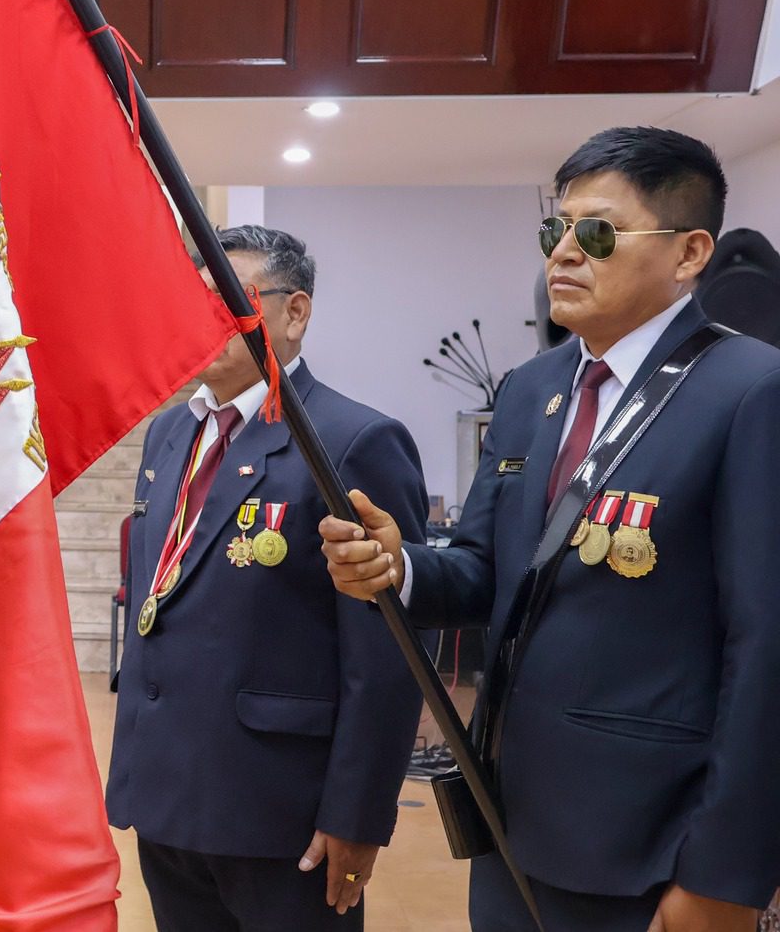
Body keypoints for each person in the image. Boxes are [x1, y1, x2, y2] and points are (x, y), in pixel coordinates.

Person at [322, 127, 780, 932]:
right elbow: (487, 568)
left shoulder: (749, 390)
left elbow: (767, 647)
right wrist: (401, 566)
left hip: (649, 842)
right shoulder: (533, 388)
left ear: (689, 252)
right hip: (513, 821)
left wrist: (725, 876)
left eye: (597, 232)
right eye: (555, 230)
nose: (564, 252)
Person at [108, 227, 427, 931]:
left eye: (230, 300)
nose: (204, 321)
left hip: (280, 811)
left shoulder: (349, 440)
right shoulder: (169, 434)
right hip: (167, 792)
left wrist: (359, 814)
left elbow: (386, 655)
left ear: (295, 312)